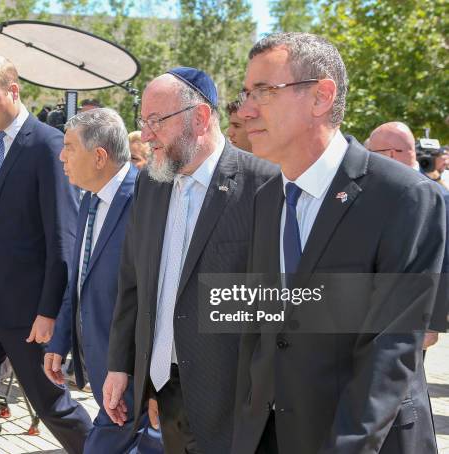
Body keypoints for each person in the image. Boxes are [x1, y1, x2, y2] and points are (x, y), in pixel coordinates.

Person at [232, 32, 444, 454]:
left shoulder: (405, 197)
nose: (246, 110)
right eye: (245, 93)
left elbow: (391, 349)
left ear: (321, 96)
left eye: (264, 92)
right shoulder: (265, 198)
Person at [102, 67, 277, 453]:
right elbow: (133, 281)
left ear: (199, 119)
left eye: (156, 121)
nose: (146, 134)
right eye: (142, 122)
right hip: (167, 391)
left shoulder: (264, 185)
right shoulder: (150, 182)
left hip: (234, 402)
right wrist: (122, 365)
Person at [0, 55, 92, 454]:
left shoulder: (49, 145)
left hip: (29, 314)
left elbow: (62, 236)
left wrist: (49, 311)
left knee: (53, 408)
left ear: (13, 90)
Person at [45, 108, 163, 453]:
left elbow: (148, 295)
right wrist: (60, 340)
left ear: (99, 156)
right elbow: (80, 278)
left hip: (132, 377)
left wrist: (124, 367)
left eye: (69, 147)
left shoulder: (145, 199)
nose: (61, 155)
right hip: (103, 370)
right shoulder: (89, 200)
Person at [367, 121, 449, 349]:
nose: (367, 159)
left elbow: (445, 260)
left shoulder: (438, 195)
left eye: (370, 153)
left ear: (390, 154)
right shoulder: (376, 190)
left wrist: (433, 322)